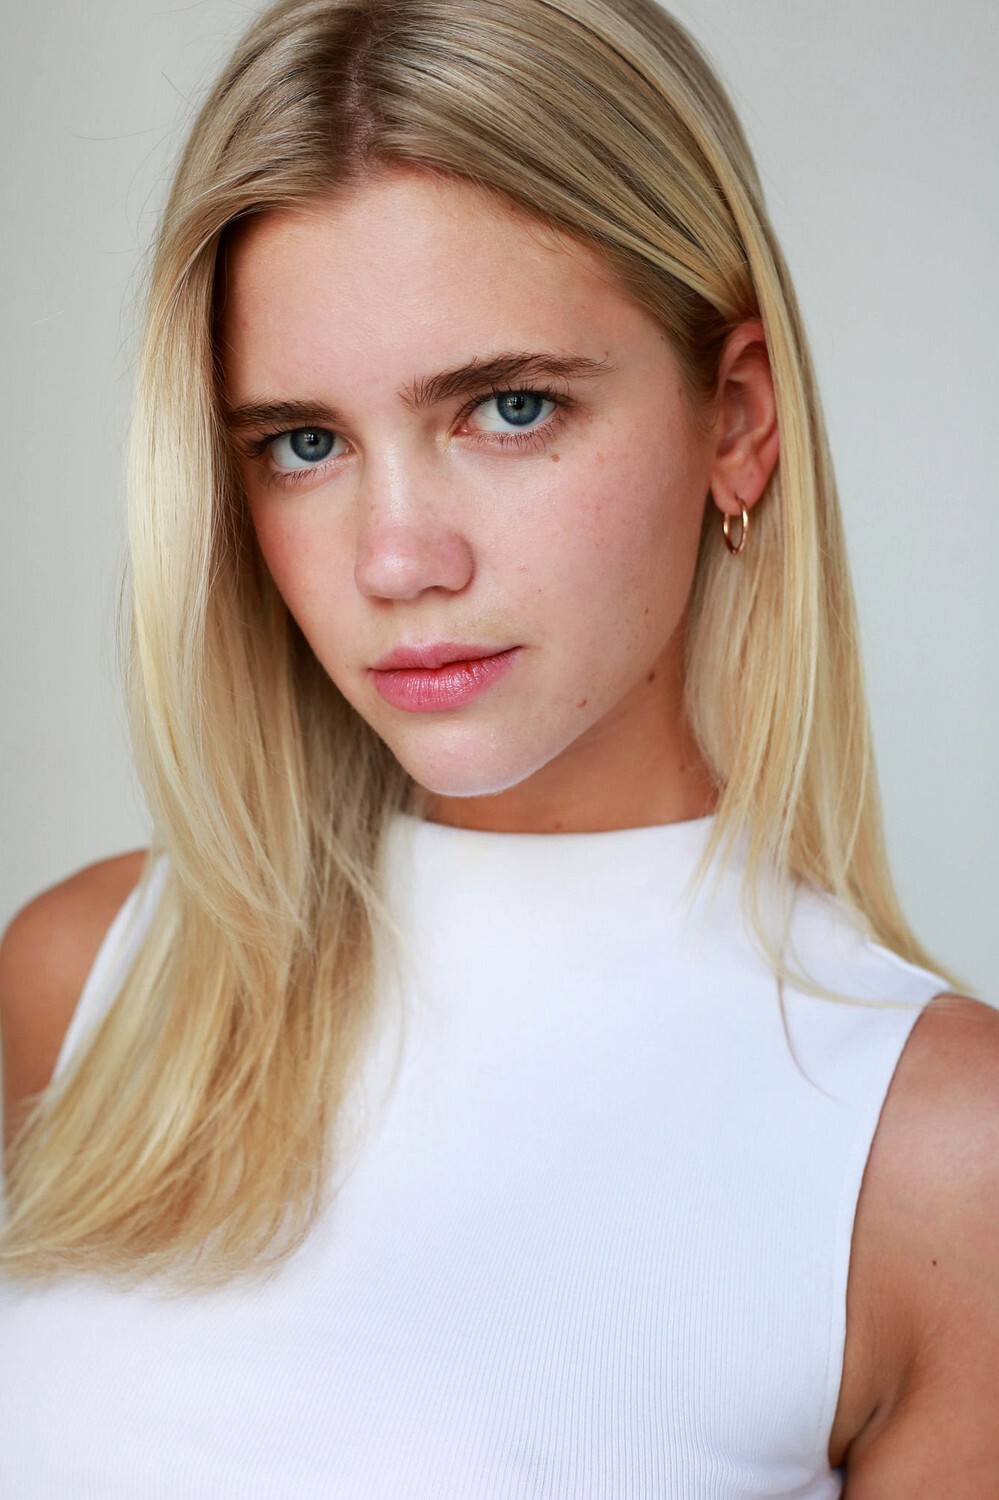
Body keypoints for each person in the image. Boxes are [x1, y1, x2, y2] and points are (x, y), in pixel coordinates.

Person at [1, 0, 996, 1492]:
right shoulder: (86, 979)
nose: (397, 561)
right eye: (304, 443)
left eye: (509, 409)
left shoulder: (939, 1159)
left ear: (736, 417)